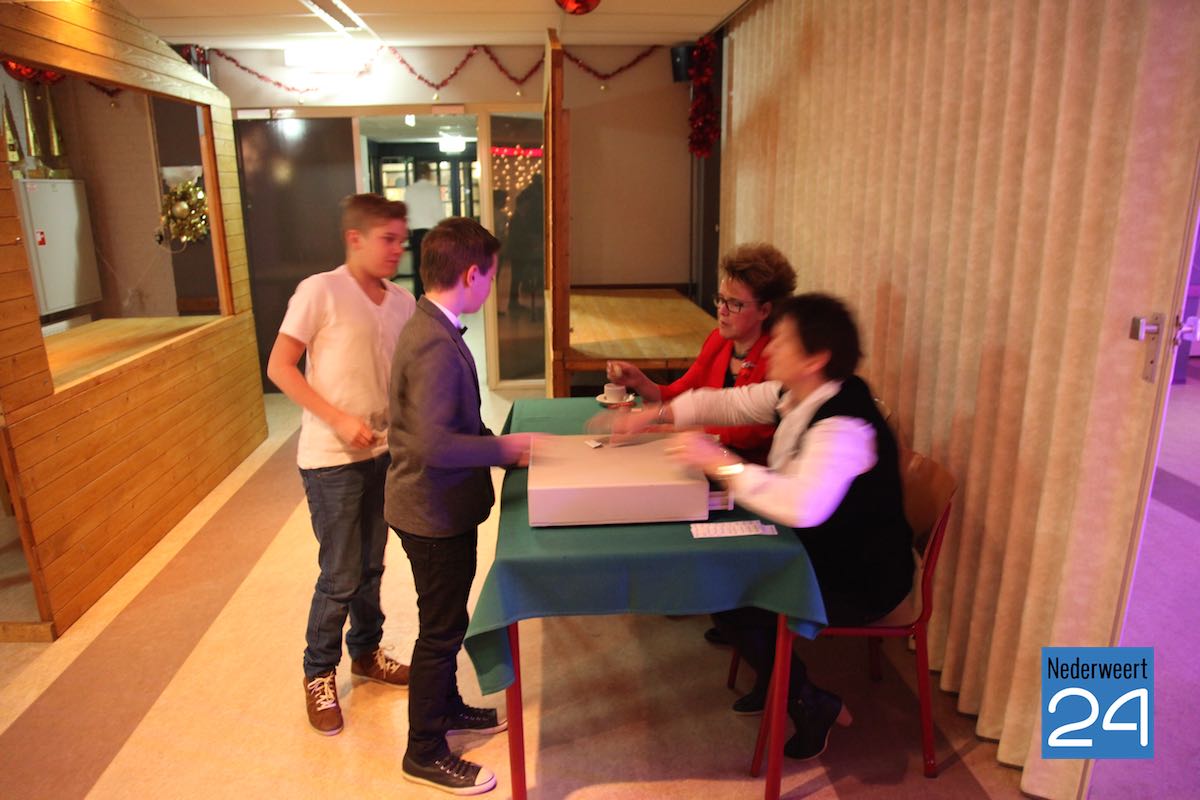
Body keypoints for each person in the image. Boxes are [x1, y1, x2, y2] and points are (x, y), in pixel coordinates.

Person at [610, 293, 914, 760]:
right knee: (718, 572)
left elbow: (800, 505)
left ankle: (807, 701)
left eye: (784, 342)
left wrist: (720, 462)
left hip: (860, 577)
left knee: (727, 587)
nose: (770, 349)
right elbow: (728, 403)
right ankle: (784, 682)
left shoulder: (844, 425)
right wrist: (655, 414)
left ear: (815, 358)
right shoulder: (799, 393)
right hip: (815, 549)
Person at [386, 217, 535, 795]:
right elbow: (435, 444)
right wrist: (505, 449)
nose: (492, 287)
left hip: (438, 508)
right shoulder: (432, 342)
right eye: (491, 276)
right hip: (432, 513)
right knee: (440, 631)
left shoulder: (433, 324)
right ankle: (424, 750)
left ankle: (445, 706)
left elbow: (457, 424)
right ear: (472, 274)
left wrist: (502, 448)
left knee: (445, 622)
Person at [266, 193, 416, 736]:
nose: (398, 249)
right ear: (355, 238)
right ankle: (318, 672)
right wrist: (338, 418)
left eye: (402, 240)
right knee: (341, 573)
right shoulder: (320, 291)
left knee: (372, 565)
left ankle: (367, 652)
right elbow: (280, 366)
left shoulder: (402, 301)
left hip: (383, 455)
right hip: (331, 460)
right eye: (388, 239)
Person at [606, 243, 797, 466]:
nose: (722, 310)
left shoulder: (777, 356)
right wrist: (640, 382)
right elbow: (680, 394)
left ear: (764, 310)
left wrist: (673, 426)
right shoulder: (718, 340)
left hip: (748, 469)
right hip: (705, 459)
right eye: (721, 299)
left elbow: (752, 433)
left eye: (735, 304)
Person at [403, 162, 444, 299]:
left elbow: (407, 214)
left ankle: (419, 298)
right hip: (431, 233)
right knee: (432, 267)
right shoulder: (433, 190)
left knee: (418, 268)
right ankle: (433, 296)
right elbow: (439, 214)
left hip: (416, 234)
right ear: (428, 173)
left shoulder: (410, 190)